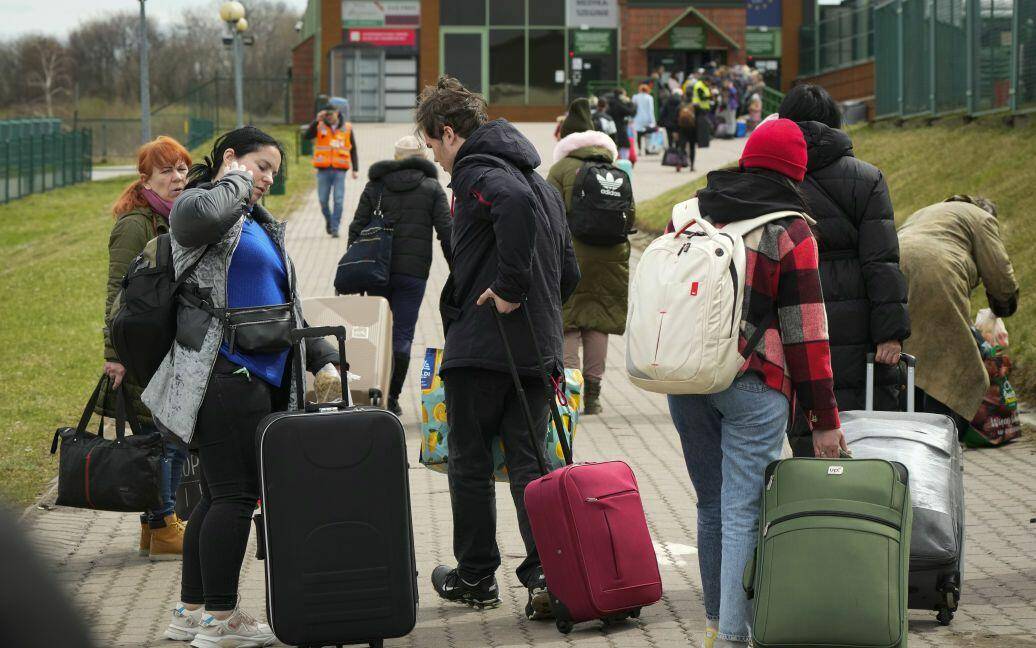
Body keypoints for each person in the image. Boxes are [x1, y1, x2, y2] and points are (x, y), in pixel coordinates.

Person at [143, 127, 341, 647]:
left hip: (255, 375)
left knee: (215, 496)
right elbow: (199, 217)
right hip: (225, 374)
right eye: (261, 165)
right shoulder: (198, 204)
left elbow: (284, 300)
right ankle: (220, 619)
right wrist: (235, 179)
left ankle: (191, 612)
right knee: (236, 497)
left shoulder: (254, 221)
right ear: (231, 158)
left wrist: (322, 357)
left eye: (274, 172)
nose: (267, 179)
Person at [666, 118, 845, 648]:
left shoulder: (693, 213)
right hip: (755, 383)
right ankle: (733, 638)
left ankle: (715, 627)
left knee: (710, 506)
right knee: (743, 510)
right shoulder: (791, 230)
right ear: (796, 172)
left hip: (689, 376)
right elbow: (807, 336)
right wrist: (824, 420)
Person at [414, 76, 580, 619]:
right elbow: (569, 273)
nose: (437, 161)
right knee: (531, 467)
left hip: (485, 349)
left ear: (448, 133)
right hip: (537, 351)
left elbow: (505, 205)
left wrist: (509, 289)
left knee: (469, 464)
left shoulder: (478, 173)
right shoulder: (543, 185)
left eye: (433, 147)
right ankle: (544, 575)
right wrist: (535, 304)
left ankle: (476, 576)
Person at [777, 83, 911, 457]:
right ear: (836, 122)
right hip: (858, 321)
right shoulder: (866, 179)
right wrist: (891, 334)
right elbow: (882, 260)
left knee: (807, 418)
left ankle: (810, 503)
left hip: (794, 315)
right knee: (864, 428)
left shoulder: (777, 179)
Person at [102, 136, 192, 559]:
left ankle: (152, 528)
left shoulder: (175, 218)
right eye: (167, 172)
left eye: (182, 170)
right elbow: (114, 294)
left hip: (164, 345)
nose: (177, 179)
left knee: (164, 438)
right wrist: (113, 354)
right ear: (146, 180)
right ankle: (165, 524)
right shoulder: (135, 224)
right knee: (163, 440)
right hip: (141, 349)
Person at [344, 135, 453, 416]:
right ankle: (392, 398)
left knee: (379, 333)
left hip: (375, 271)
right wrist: (460, 269)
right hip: (414, 274)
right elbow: (447, 233)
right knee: (403, 334)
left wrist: (354, 270)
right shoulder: (431, 188)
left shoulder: (376, 186)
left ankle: (375, 392)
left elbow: (356, 229)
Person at [898, 195, 1019, 438]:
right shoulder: (981, 218)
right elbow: (998, 271)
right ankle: (940, 437)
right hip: (936, 271)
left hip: (893, 266)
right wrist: (1004, 304)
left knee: (910, 355)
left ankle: (909, 430)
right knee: (954, 364)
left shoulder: (930, 210)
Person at [547, 98, 635, 415]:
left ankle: (570, 394)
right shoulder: (614, 169)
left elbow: (548, 215)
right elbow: (631, 215)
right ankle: (593, 396)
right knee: (598, 321)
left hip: (571, 254)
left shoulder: (560, 169)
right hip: (612, 256)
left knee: (569, 322)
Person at [304, 104, 359, 238]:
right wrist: (317, 120)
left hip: (340, 170)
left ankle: (335, 227)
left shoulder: (347, 128)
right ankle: (329, 221)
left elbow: (353, 149)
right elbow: (306, 136)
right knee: (323, 200)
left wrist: (355, 169)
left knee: (338, 200)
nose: (329, 117)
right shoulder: (320, 125)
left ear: (337, 113)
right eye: (326, 115)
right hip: (323, 170)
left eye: (331, 114)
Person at [606, 88, 637, 160]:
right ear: (621, 95)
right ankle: (623, 163)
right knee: (624, 146)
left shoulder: (610, 103)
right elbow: (631, 112)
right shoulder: (619, 104)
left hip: (611, 129)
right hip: (620, 128)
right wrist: (630, 103)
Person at [631, 83, 657, 155]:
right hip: (647, 118)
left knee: (639, 135)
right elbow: (651, 110)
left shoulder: (635, 97)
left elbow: (633, 108)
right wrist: (653, 121)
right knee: (647, 135)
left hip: (637, 118)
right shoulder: (649, 97)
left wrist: (632, 118)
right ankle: (647, 149)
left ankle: (639, 150)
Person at [691, 70, 713, 148]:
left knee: (704, 126)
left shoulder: (704, 86)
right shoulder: (699, 86)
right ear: (705, 81)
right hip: (699, 108)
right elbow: (702, 97)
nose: (709, 84)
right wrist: (710, 97)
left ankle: (704, 142)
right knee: (701, 127)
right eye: (709, 82)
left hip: (704, 109)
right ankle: (700, 142)